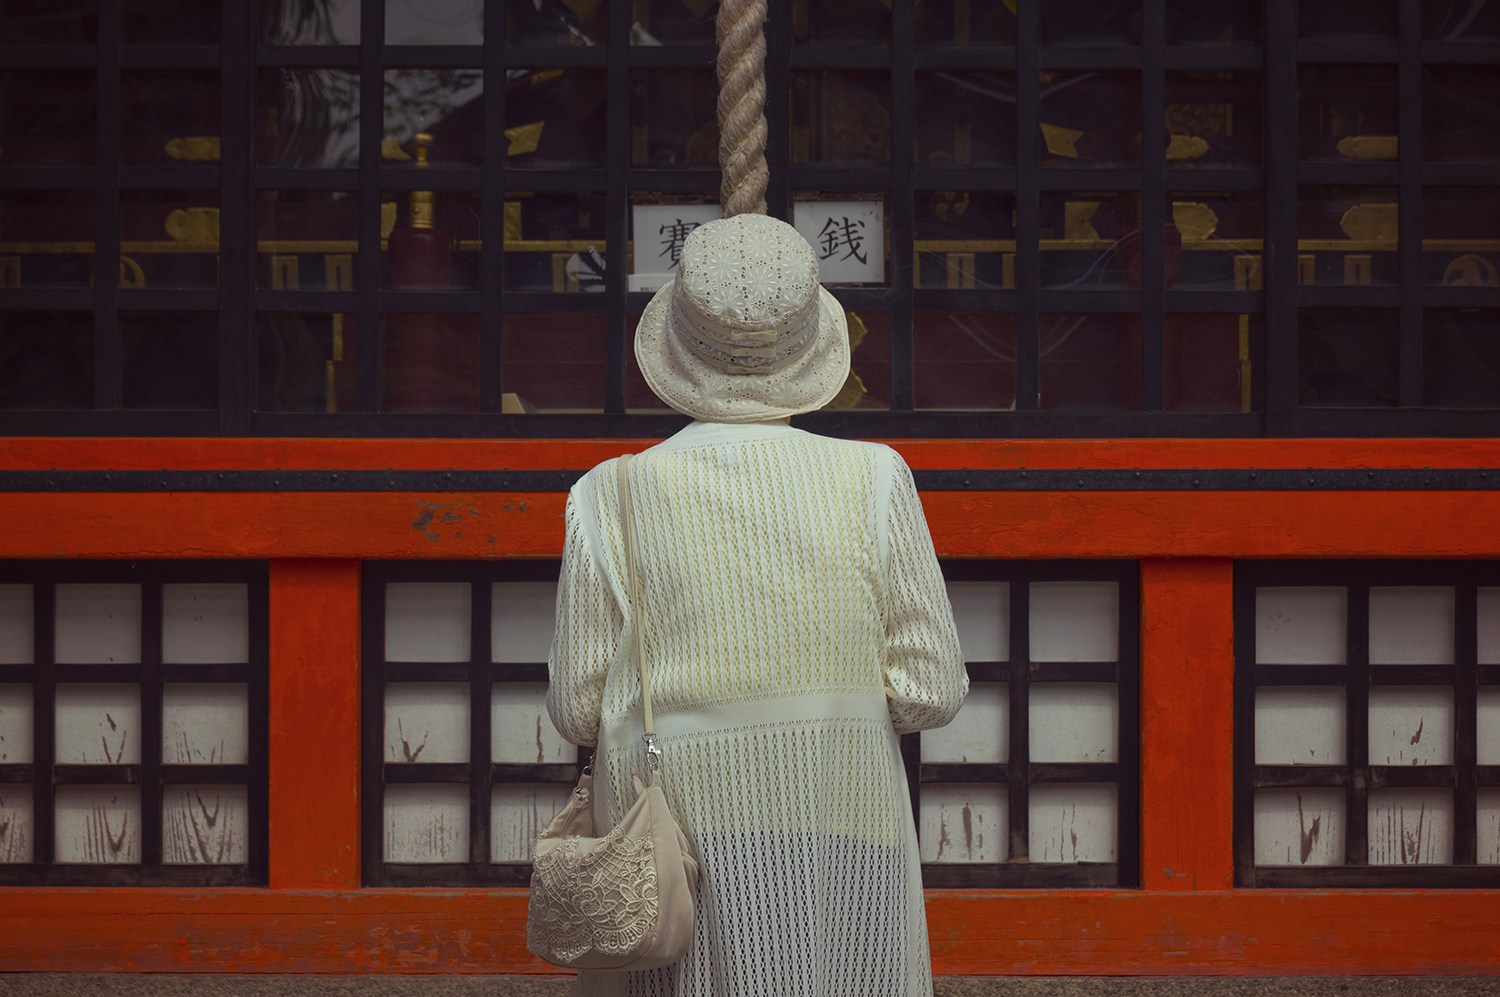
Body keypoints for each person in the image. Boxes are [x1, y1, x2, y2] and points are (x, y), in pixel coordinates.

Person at [546, 212, 968, 997]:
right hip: (846, 819)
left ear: (678, 340)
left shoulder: (612, 492)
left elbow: (577, 707)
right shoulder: (879, 478)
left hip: (678, 839)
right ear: (810, 344)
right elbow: (930, 689)